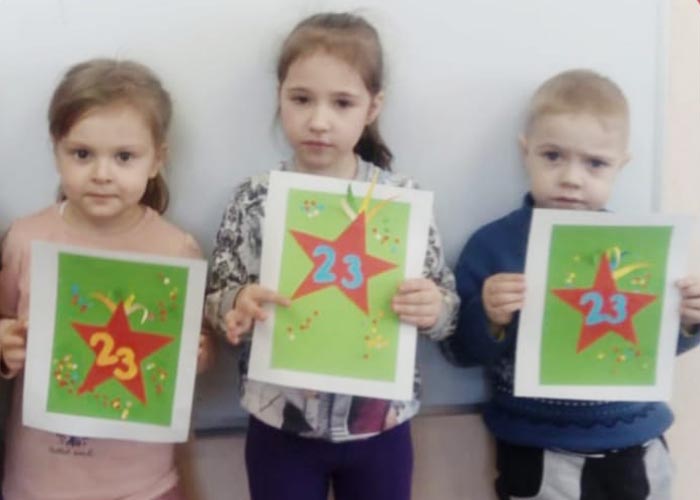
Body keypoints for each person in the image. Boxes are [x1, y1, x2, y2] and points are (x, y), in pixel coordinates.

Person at [205, 12, 458, 500]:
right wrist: (236, 306)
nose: (319, 121)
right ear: (280, 96)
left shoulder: (401, 201)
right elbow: (218, 299)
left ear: (372, 107)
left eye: (342, 103)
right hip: (280, 424)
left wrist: (434, 308)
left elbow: (446, 311)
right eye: (301, 99)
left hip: (380, 426)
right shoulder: (255, 198)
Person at [449, 69, 700, 499]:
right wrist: (488, 316)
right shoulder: (493, 246)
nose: (571, 178)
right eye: (552, 156)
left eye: (595, 163)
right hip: (536, 445)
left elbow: (648, 350)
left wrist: (689, 322)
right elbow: (458, 351)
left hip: (634, 440)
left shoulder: (635, 249)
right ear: (525, 153)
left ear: (621, 166)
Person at [0, 58, 210, 500]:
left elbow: (198, 354)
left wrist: (197, 355)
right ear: (56, 151)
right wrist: (5, 344)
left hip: (143, 483)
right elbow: (4, 321)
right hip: (40, 482)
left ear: (157, 160)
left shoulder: (175, 250)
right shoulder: (25, 239)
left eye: (124, 157)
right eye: (82, 154)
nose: (101, 174)